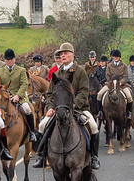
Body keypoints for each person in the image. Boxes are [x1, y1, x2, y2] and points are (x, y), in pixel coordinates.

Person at [33, 42, 100, 170]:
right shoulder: (57, 74)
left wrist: (75, 104)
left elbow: (84, 90)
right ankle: (42, 155)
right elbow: (50, 93)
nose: (63, 56)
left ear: (72, 55)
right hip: (59, 109)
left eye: (65, 53)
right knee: (42, 125)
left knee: (93, 126)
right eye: (61, 54)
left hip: (79, 109)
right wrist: (51, 107)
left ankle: (94, 157)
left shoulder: (80, 72)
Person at [0, 49, 39, 142]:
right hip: (4, 97)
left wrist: (17, 96)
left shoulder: (21, 70)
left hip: (20, 97)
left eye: (11, 59)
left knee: (27, 109)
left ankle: (32, 132)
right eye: (7, 59)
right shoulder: (0, 71)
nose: (9, 61)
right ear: (5, 60)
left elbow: (24, 84)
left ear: (14, 59)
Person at [96, 50, 134, 119]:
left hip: (122, 85)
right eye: (114, 57)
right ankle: (100, 112)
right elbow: (107, 76)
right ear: (112, 57)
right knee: (99, 94)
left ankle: (129, 112)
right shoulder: (109, 65)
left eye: (117, 57)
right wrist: (112, 82)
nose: (116, 58)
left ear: (119, 57)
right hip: (111, 84)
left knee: (129, 97)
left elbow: (125, 76)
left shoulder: (124, 65)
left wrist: (121, 82)